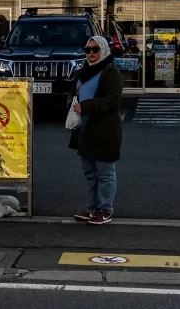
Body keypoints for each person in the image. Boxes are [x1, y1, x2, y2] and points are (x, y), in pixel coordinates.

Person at [70, 36, 123, 225]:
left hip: (104, 127)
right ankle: (92, 209)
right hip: (84, 127)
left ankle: (105, 210)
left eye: (95, 49)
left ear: (104, 50)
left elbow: (113, 100)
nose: (91, 53)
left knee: (105, 171)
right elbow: (76, 92)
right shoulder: (83, 71)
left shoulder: (111, 72)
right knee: (90, 172)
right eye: (88, 50)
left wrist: (87, 106)